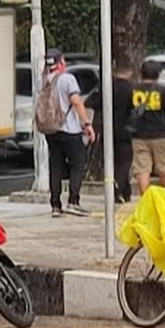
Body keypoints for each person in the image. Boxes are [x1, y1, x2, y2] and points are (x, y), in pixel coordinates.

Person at [44, 49, 95, 217]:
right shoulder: (67, 79)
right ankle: (73, 201)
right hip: (69, 129)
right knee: (77, 163)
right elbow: (76, 102)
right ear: (61, 62)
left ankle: (55, 205)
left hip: (50, 129)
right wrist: (87, 123)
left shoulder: (43, 79)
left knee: (56, 165)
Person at [131, 59, 165, 194]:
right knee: (164, 169)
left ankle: (146, 201)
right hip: (161, 134)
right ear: (158, 74)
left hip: (139, 134)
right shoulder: (164, 91)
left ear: (142, 73)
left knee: (142, 170)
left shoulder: (134, 91)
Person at [112, 63, 136, 204]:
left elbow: (92, 102)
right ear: (130, 72)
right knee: (125, 161)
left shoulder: (108, 87)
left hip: (109, 131)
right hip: (125, 131)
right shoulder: (131, 90)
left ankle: (126, 192)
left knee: (116, 161)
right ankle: (117, 186)